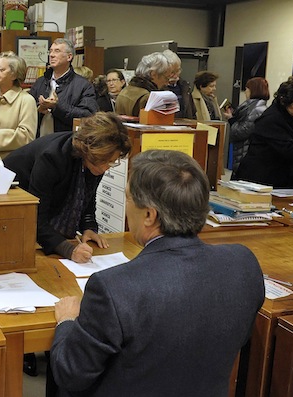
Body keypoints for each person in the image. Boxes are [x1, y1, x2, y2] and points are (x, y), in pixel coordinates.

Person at [49, 149, 265, 397]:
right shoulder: (243, 264)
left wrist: (67, 322)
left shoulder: (112, 288)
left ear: (150, 215)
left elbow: (70, 373)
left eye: (128, 198)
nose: (127, 206)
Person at [4, 112, 131, 263]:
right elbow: (36, 217)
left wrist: (89, 227)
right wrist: (69, 250)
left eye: (113, 161)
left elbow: (88, 197)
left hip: (35, 218)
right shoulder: (52, 158)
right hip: (9, 207)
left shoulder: (96, 160)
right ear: (88, 151)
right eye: (106, 161)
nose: (107, 168)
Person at [30, 38, 98, 137]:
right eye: (50, 51)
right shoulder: (41, 81)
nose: (51, 55)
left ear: (69, 57)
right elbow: (27, 109)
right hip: (38, 141)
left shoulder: (83, 85)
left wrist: (57, 107)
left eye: (57, 51)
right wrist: (39, 108)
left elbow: (89, 116)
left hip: (65, 143)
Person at [225, 77, 270, 175]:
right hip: (242, 151)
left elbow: (240, 132)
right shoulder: (251, 107)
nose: (245, 92)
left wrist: (231, 120)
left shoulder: (257, 110)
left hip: (246, 154)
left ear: (253, 90)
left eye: (247, 89)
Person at [115, 51, 175, 116]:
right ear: (153, 74)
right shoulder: (148, 98)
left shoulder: (125, 90)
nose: (166, 83)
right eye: (166, 78)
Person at [163, 50, 196, 119]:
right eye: (172, 72)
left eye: (178, 70)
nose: (175, 75)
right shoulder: (158, 89)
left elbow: (193, 112)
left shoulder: (185, 86)